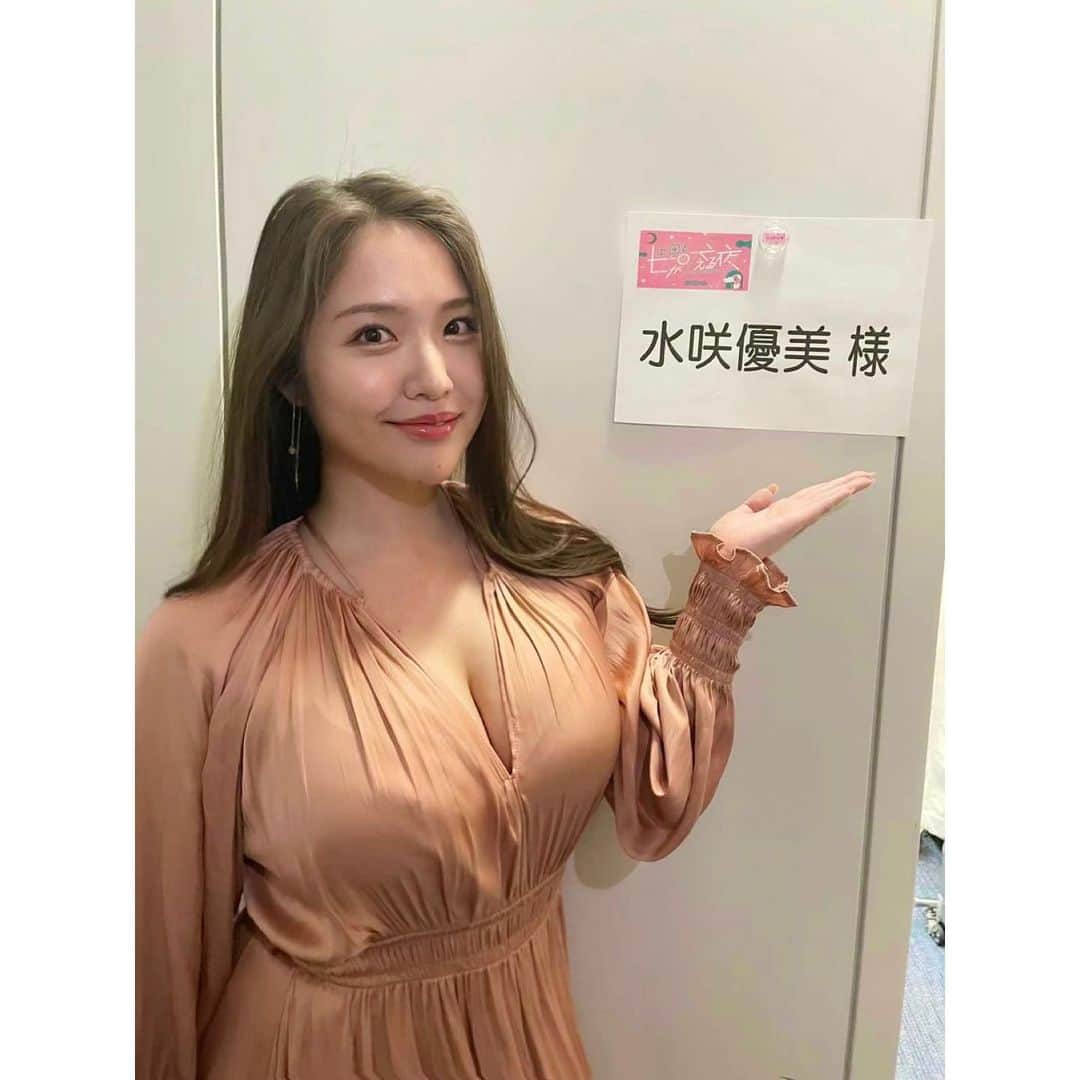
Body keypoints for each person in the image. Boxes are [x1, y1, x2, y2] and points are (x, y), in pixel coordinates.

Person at [135, 168, 875, 1079]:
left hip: (527, 1034)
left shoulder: (554, 564)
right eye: (374, 334)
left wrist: (724, 595)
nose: (435, 376)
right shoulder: (206, 640)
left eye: (459, 327)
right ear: (290, 371)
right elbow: (158, 959)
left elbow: (654, 806)